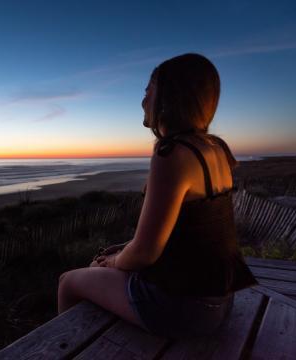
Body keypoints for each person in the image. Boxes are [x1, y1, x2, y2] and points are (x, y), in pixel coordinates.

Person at [57, 53, 259, 339]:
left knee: (68, 281)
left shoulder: (172, 153)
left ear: (167, 98)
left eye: (147, 92)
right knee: (97, 267)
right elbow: (185, 231)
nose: (142, 102)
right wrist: (122, 249)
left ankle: (66, 348)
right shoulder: (216, 150)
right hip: (219, 300)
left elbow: (145, 252)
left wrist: (117, 261)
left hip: (184, 308)